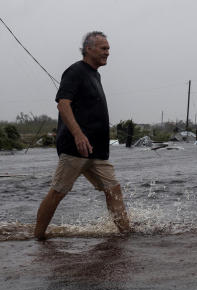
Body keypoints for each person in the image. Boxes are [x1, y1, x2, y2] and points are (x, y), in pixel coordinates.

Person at [34, 31, 130, 240]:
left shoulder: (95, 74)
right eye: (103, 48)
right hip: (76, 148)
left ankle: (126, 235)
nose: (108, 53)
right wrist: (78, 135)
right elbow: (63, 104)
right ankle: (38, 237)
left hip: (96, 151)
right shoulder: (75, 71)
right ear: (89, 49)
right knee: (58, 192)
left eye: (108, 49)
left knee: (113, 189)